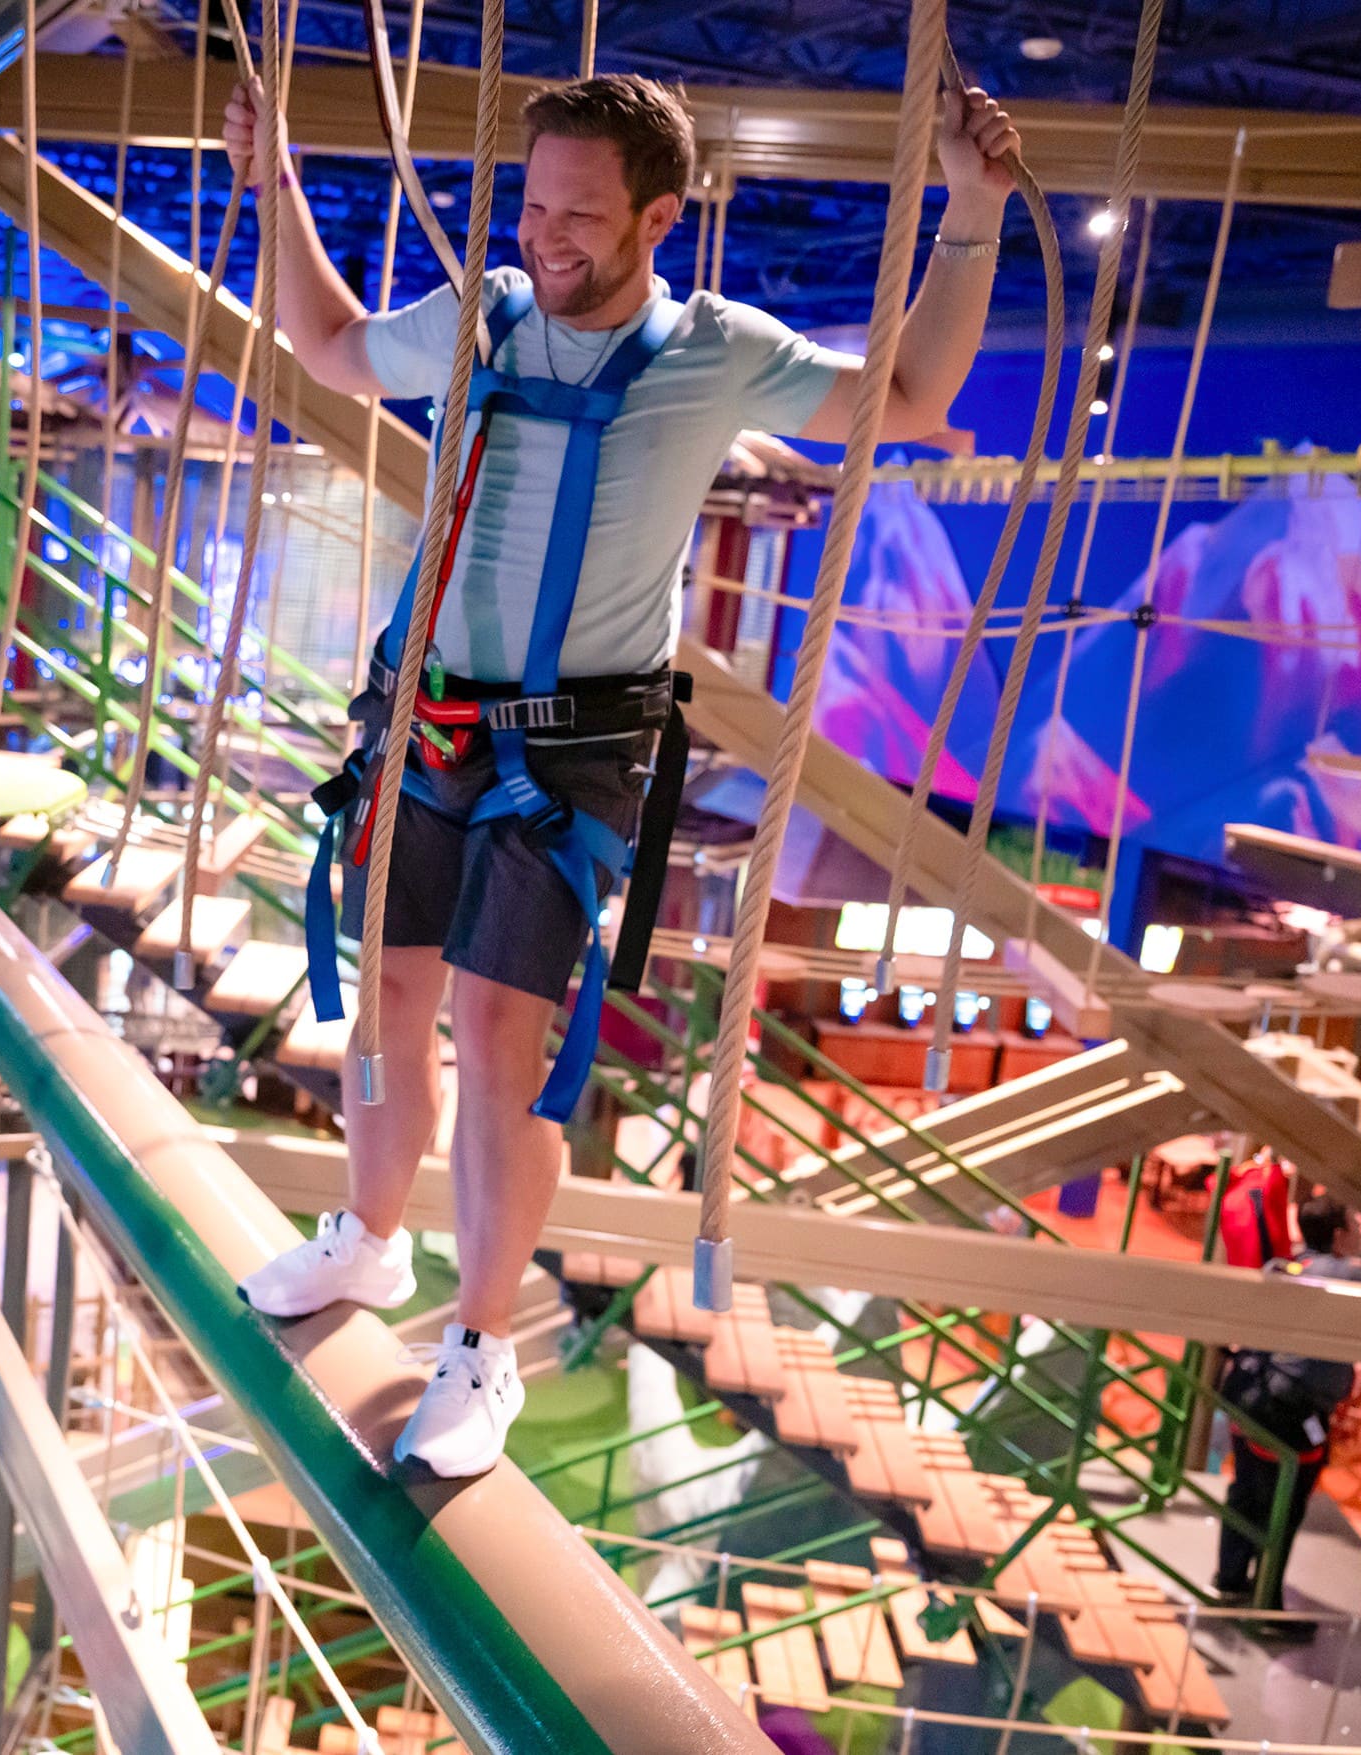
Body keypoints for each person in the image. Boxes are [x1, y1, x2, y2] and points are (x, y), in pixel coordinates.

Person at [228, 72, 1021, 1477]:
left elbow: (904, 392)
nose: (548, 236)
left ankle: (479, 1347)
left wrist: (972, 206)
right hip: (424, 716)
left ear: (662, 214)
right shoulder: (483, 318)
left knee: (499, 1039)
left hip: (574, 746)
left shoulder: (714, 349)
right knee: (388, 1002)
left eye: (583, 215)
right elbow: (335, 341)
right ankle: (365, 1238)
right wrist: (271, 177)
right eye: (534, 206)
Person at [1211, 1193, 1361, 1603]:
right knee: (1284, 1506)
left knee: (1247, 1493)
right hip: (1292, 1412)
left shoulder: (1283, 1267)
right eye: (1357, 1225)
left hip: (1248, 1394)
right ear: (1339, 1235)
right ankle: (1266, 1598)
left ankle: (1230, 1578)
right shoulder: (1349, 1277)